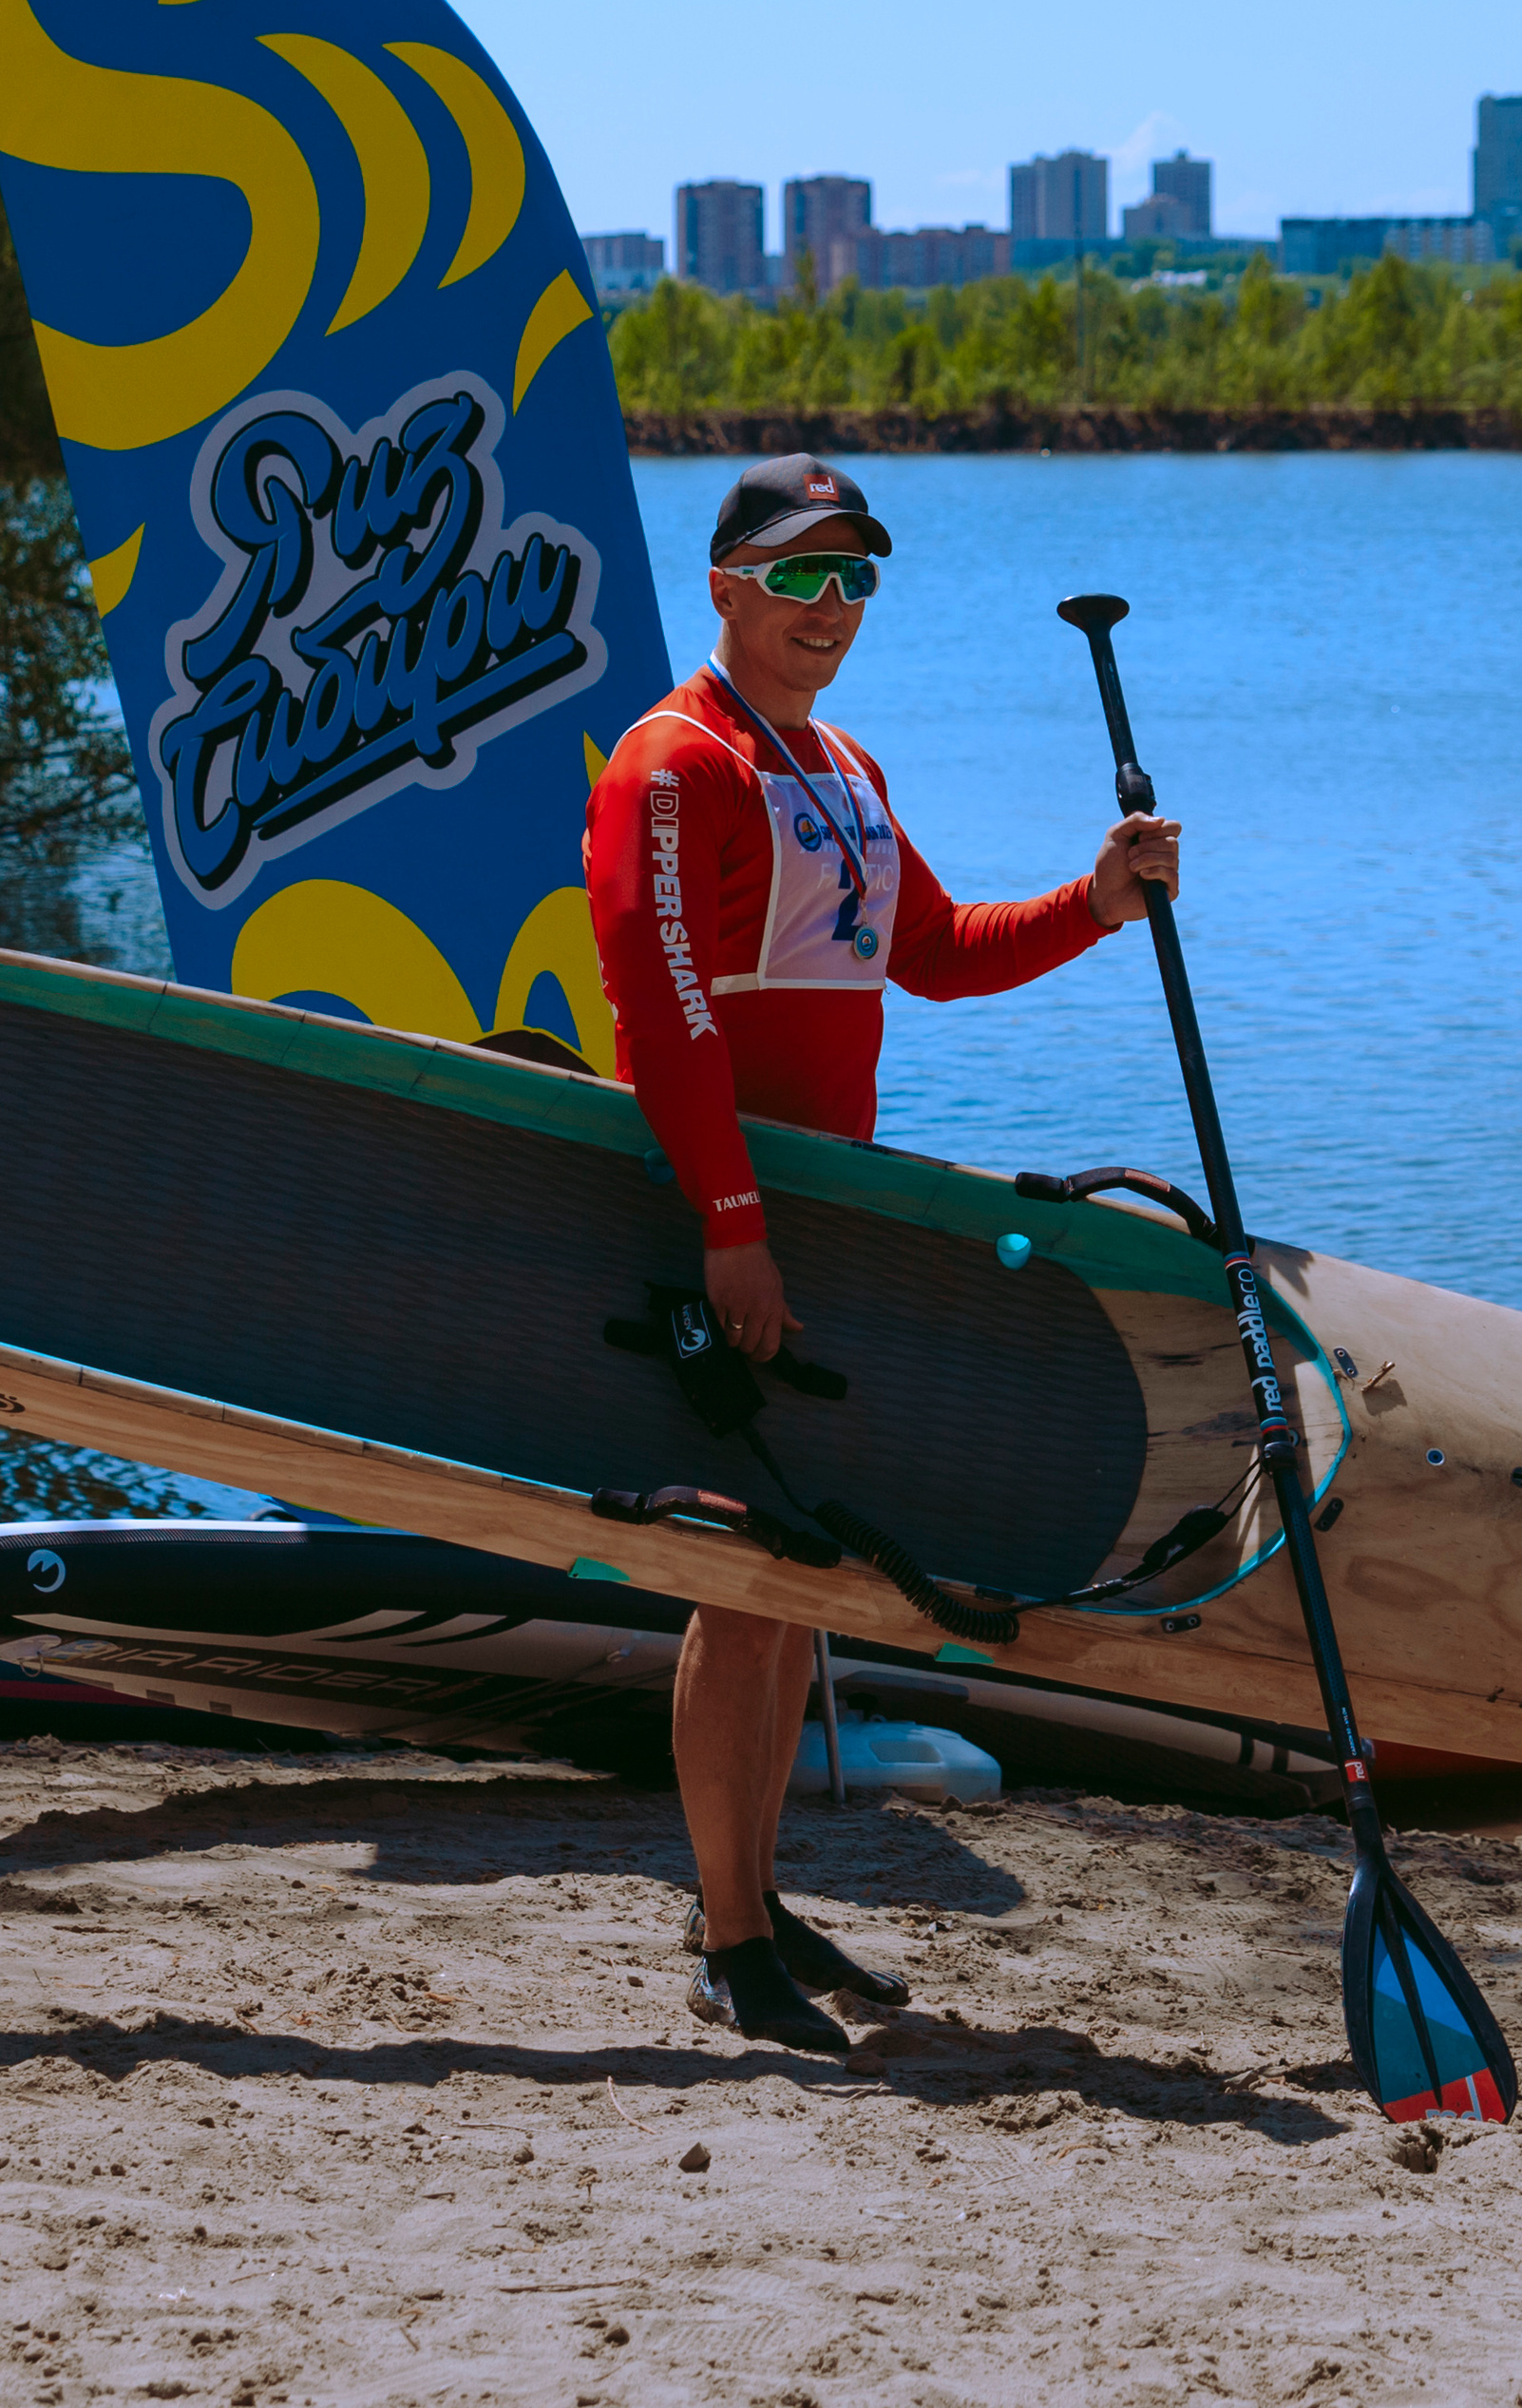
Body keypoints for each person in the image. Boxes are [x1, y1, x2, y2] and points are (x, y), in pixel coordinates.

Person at [583, 455, 1183, 2054]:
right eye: (800, 576)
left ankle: (755, 1897)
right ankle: (724, 1934)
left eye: (857, 580)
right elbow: (666, 1021)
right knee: (740, 1573)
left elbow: (926, 951)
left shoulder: (839, 762)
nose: (831, 609)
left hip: (823, 1217)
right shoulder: (670, 763)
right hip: (721, 1222)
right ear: (724, 586)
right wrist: (731, 1225)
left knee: (797, 1580)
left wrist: (1097, 902)